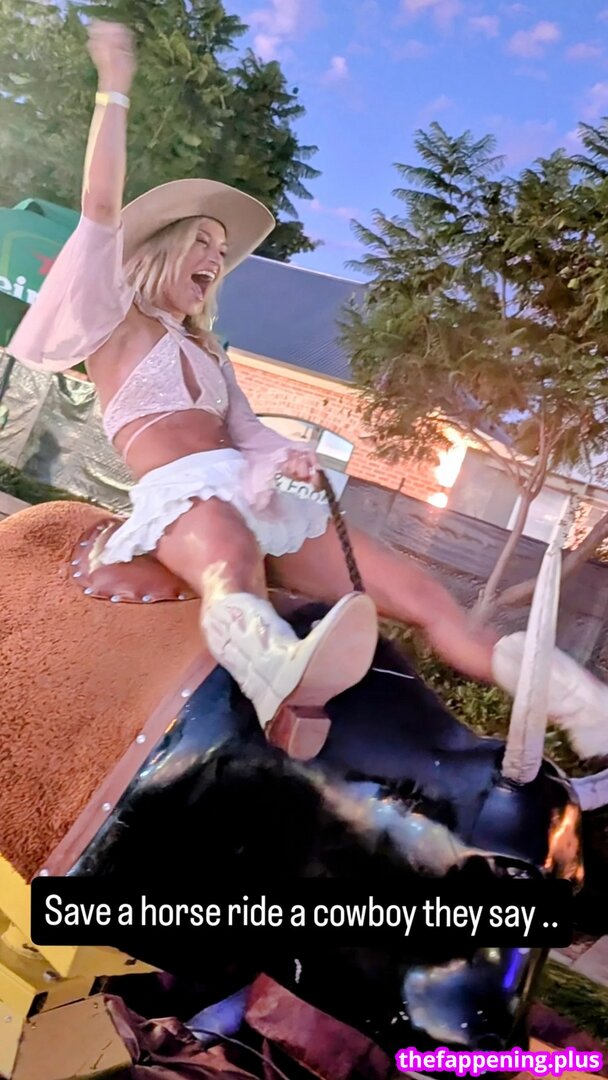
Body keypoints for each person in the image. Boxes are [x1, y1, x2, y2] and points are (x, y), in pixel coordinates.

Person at [9, 21, 608, 764]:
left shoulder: (208, 352)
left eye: (221, 251)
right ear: (161, 248)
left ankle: (580, 704)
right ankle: (277, 672)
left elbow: (250, 432)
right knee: (228, 559)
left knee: (426, 598)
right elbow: (100, 206)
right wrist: (115, 86)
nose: (215, 258)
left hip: (256, 493)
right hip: (182, 498)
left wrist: (285, 456)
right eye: (202, 241)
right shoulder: (114, 321)